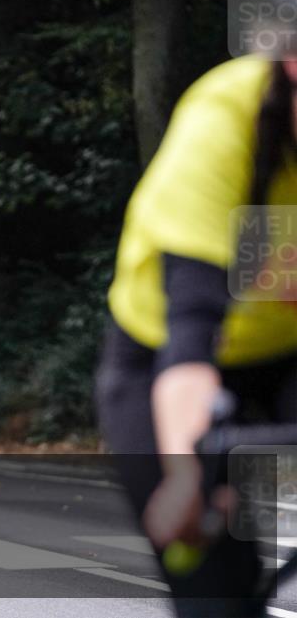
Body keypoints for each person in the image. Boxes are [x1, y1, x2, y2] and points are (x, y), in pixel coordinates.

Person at [95, 53, 297, 617]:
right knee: (213, 583)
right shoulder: (225, 119)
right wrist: (186, 474)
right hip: (165, 358)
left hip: (287, 350)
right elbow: (190, 331)